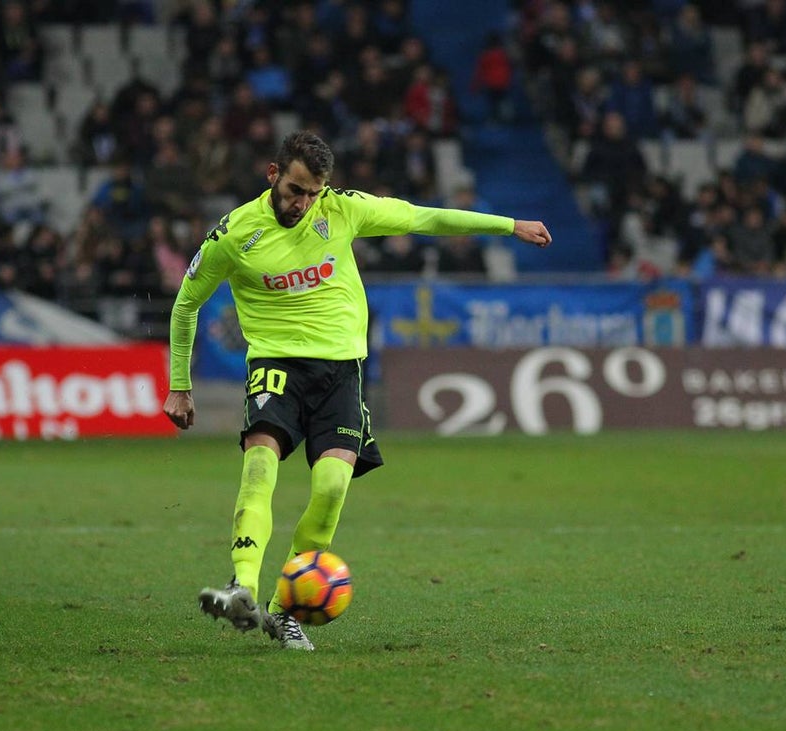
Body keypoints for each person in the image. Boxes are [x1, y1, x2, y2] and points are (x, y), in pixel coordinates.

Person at [163, 131, 551, 651]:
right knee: (260, 465)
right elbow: (186, 305)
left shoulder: (342, 210)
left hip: (342, 371)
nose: (303, 204)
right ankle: (242, 586)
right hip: (276, 364)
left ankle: (283, 610)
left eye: (313, 193)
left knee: (331, 488)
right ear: (273, 175)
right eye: (295, 190)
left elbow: (424, 218)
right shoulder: (234, 235)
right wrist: (179, 387)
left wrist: (509, 226)